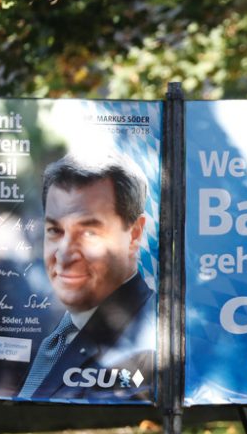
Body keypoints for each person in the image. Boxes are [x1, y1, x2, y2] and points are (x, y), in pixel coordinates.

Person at [17, 153, 156, 401]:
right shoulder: (54, 331)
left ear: (134, 235)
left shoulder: (149, 342)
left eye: (89, 232)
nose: (65, 254)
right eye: (54, 230)